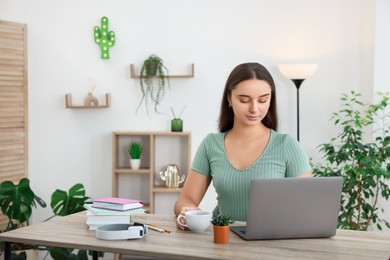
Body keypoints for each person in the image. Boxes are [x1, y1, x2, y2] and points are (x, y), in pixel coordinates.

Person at [174, 62, 311, 230]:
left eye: (263, 100)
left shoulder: (287, 146)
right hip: (224, 240)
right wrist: (188, 210)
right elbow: (186, 199)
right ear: (229, 99)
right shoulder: (211, 144)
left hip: (272, 241)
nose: (254, 109)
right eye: (244, 100)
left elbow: (306, 211)